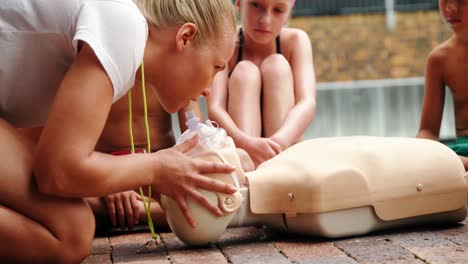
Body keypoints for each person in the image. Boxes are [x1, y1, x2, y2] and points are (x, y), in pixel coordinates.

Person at [0, 0, 238, 262]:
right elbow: (56, 171)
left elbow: (47, 159)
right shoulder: (124, 26)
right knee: (72, 232)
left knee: (73, 229)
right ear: (185, 37)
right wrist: (156, 169)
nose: (208, 90)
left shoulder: (122, 46)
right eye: (216, 67)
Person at [208, 0, 316, 168]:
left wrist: (279, 142)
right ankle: (249, 172)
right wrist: (248, 144)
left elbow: (307, 102)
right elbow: (215, 107)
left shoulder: (296, 41)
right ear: (238, 3)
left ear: (289, 10)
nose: (265, 20)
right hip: (243, 151)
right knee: (245, 72)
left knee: (277, 66)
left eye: (278, 10)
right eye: (256, 5)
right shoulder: (227, 43)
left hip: (285, 150)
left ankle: (281, 167)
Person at [417, 0, 468, 170]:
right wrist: (423, 152)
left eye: (461, 1)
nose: (450, 8)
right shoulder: (439, 59)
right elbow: (428, 131)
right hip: (461, 157)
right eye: (445, 0)